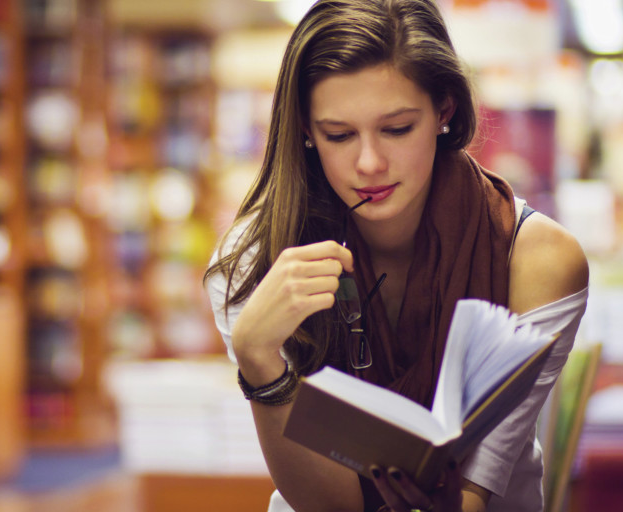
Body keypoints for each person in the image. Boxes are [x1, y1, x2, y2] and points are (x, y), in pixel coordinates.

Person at [203, 1, 590, 511]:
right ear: (304, 130)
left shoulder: (537, 260)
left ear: (444, 112)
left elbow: (469, 498)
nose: (369, 163)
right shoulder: (254, 261)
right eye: (338, 135)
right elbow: (331, 507)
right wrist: (258, 360)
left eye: (397, 128)